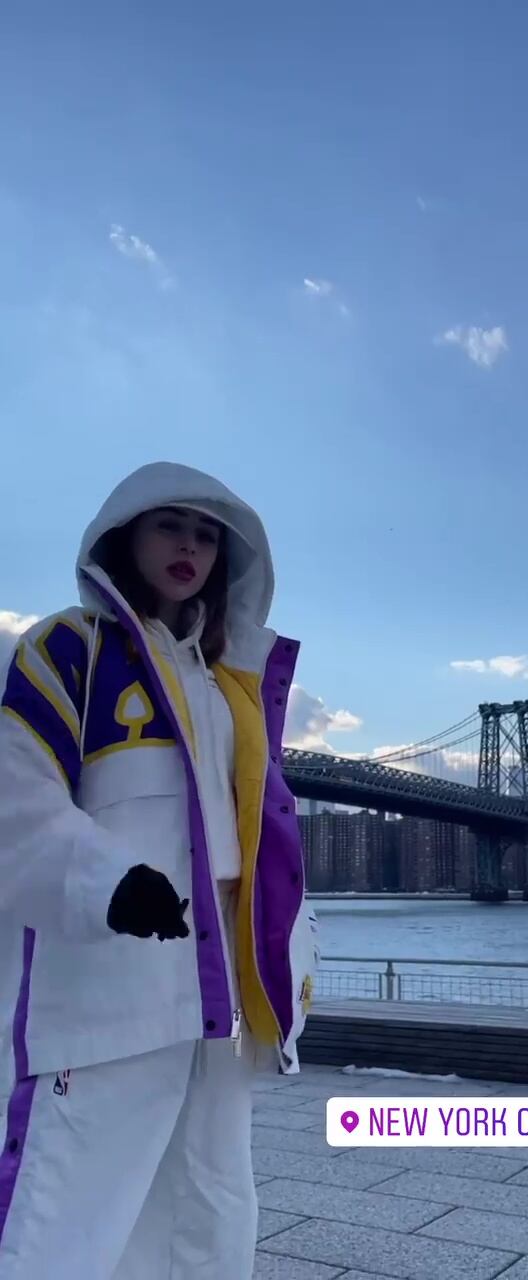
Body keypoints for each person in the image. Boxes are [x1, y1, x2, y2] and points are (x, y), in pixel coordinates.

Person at [0, 461, 319, 1278]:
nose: (190, 548)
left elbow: (257, 839)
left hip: (217, 1000)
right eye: (169, 527)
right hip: (103, 988)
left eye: (208, 536)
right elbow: (15, 803)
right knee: (66, 1208)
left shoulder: (227, 687)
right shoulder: (65, 651)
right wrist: (108, 881)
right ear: (125, 537)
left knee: (209, 1209)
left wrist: (293, 954)